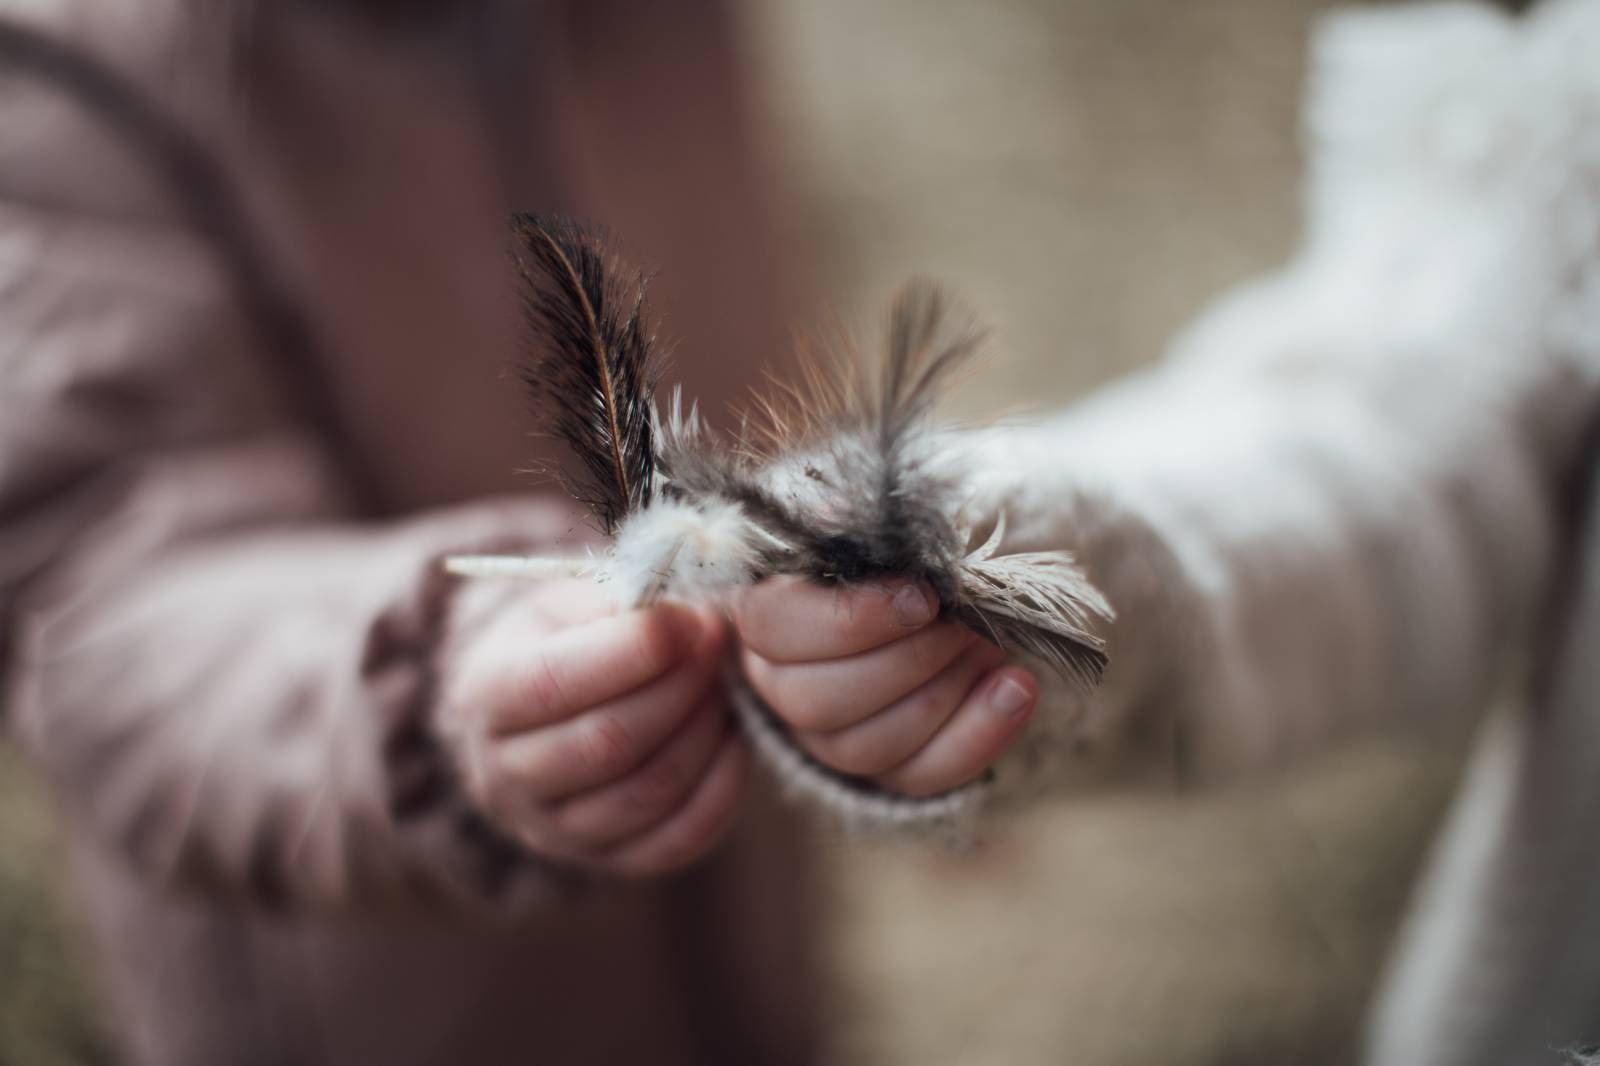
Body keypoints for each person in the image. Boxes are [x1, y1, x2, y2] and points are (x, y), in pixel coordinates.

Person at [3, 2, 1599, 1065]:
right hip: (383, 989)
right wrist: (430, 688)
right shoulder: (58, 99)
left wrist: (908, 650)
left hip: (747, 910)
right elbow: (115, 618)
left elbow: (744, 336)